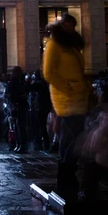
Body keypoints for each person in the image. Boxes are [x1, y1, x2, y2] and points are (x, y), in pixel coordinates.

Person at [43, 13, 89, 204]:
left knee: (74, 138)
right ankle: (66, 179)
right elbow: (48, 73)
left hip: (79, 97)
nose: (71, 28)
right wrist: (67, 87)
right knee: (69, 139)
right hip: (66, 98)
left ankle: (69, 177)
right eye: (68, 25)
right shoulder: (54, 44)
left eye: (73, 25)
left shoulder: (71, 47)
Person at [5, 67, 28, 153]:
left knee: (17, 126)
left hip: (15, 105)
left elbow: (9, 94)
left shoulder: (13, 82)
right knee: (20, 126)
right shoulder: (20, 81)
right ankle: (21, 144)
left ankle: (19, 144)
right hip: (20, 105)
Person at [30, 70, 53, 151]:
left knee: (39, 125)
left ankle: (41, 143)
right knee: (42, 125)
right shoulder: (44, 83)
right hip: (43, 107)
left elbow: (30, 88)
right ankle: (45, 143)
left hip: (40, 107)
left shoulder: (39, 83)